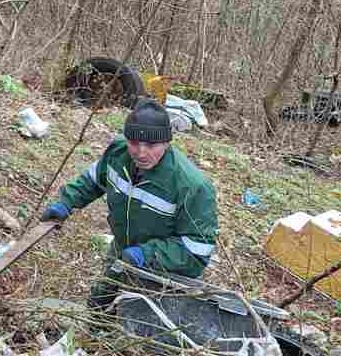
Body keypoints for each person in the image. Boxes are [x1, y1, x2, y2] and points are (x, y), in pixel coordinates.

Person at [40, 98, 219, 310]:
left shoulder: (192, 186)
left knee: (144, 324)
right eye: (134, 143)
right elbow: (93, 180)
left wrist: (146, 254)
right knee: (100, 305)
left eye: (151, 145)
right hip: (123, 250)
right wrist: (66, 203)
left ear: (167, 142)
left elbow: (197, 252)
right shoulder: (118, 154)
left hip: (166, 272)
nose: (141, 153)